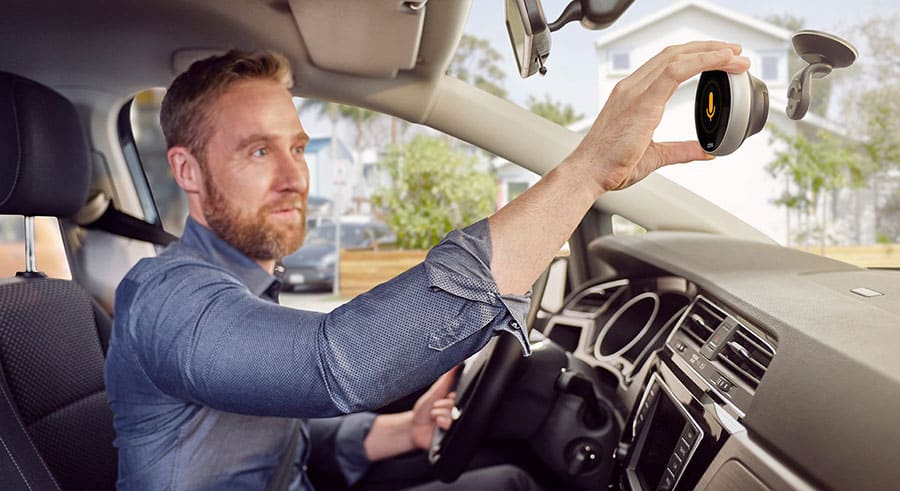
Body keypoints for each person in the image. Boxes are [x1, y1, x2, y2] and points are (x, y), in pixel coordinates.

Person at [104, 42, 750, 490]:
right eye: (256, 151)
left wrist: (405, 430)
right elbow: (333, 362)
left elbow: (290, 445)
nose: (294, 175)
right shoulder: (167, 296)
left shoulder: (241, 290)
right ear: (187, 170)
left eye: (297, 146)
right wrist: (586, 172)